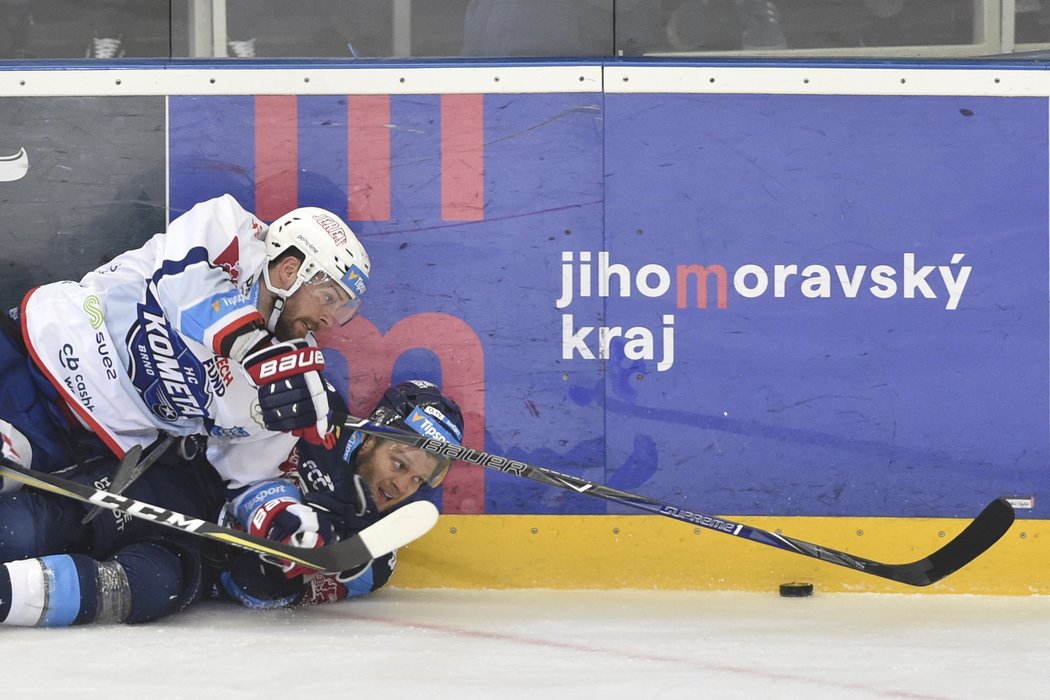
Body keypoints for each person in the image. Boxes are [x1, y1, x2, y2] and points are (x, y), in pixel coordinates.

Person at [0, 379, 465, 625]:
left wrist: (273, 575)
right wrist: (275, 514)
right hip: (176, 488)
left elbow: (263, 596)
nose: (402, 486)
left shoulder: (375, 558)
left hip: (199, 564)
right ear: (372, 439)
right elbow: (245, 468)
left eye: (417, 480)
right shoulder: (317, 412)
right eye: (400, 463)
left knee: (142, 587)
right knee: (27, 530)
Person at [0, 192, 371, 500]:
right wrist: (256, 352)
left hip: (74, 440)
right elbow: (183, 285)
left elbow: (246, 476)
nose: (329, 319)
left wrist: (272, 510)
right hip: (31, 347)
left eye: (341, 309)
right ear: (291, 270)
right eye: (327, 298)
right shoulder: (231, 229)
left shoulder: (291, 379)